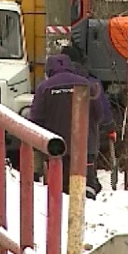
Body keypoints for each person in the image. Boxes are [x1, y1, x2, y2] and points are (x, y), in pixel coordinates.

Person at [29, 53, 103, 200]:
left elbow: (36, 119)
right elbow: (99, 114)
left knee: (60, 191)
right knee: (85, 186)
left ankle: (60, 216)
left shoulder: (44, 88)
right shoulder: (87, 85)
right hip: (85, 147)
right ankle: (86, 214)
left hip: (56, 148)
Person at [60, 44, 114, 199]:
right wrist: (109, 127)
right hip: (87, 142)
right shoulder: (91, 82)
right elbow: (103, 112)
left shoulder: (51, 83)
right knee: (87, 178)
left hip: (59, 142)